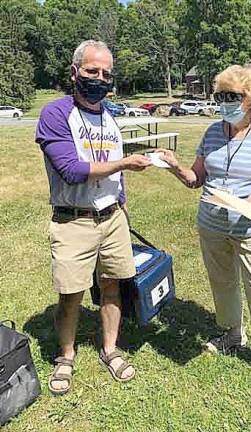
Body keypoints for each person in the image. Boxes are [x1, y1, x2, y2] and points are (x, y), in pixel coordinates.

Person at [158, 65, 251, 399]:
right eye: (220, 96)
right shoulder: (212, 132)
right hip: (213, 225)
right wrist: (175, 165)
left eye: (232, 96)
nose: (224, 102)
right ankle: (233, 333)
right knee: (223, 284)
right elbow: (195, 179)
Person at [35, 40, 152, 395]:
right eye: (91, 71)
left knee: (112, 285)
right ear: (74, 72)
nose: (99, 79)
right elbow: (71, 170)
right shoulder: (55, 114)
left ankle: (110, 349)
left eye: (106, 73)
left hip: (112, 217)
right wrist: (124, 162)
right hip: (74, 219)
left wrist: (124, 206)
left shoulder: (110, 118)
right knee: (71, 293)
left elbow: (118, 177)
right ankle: (66, 356)